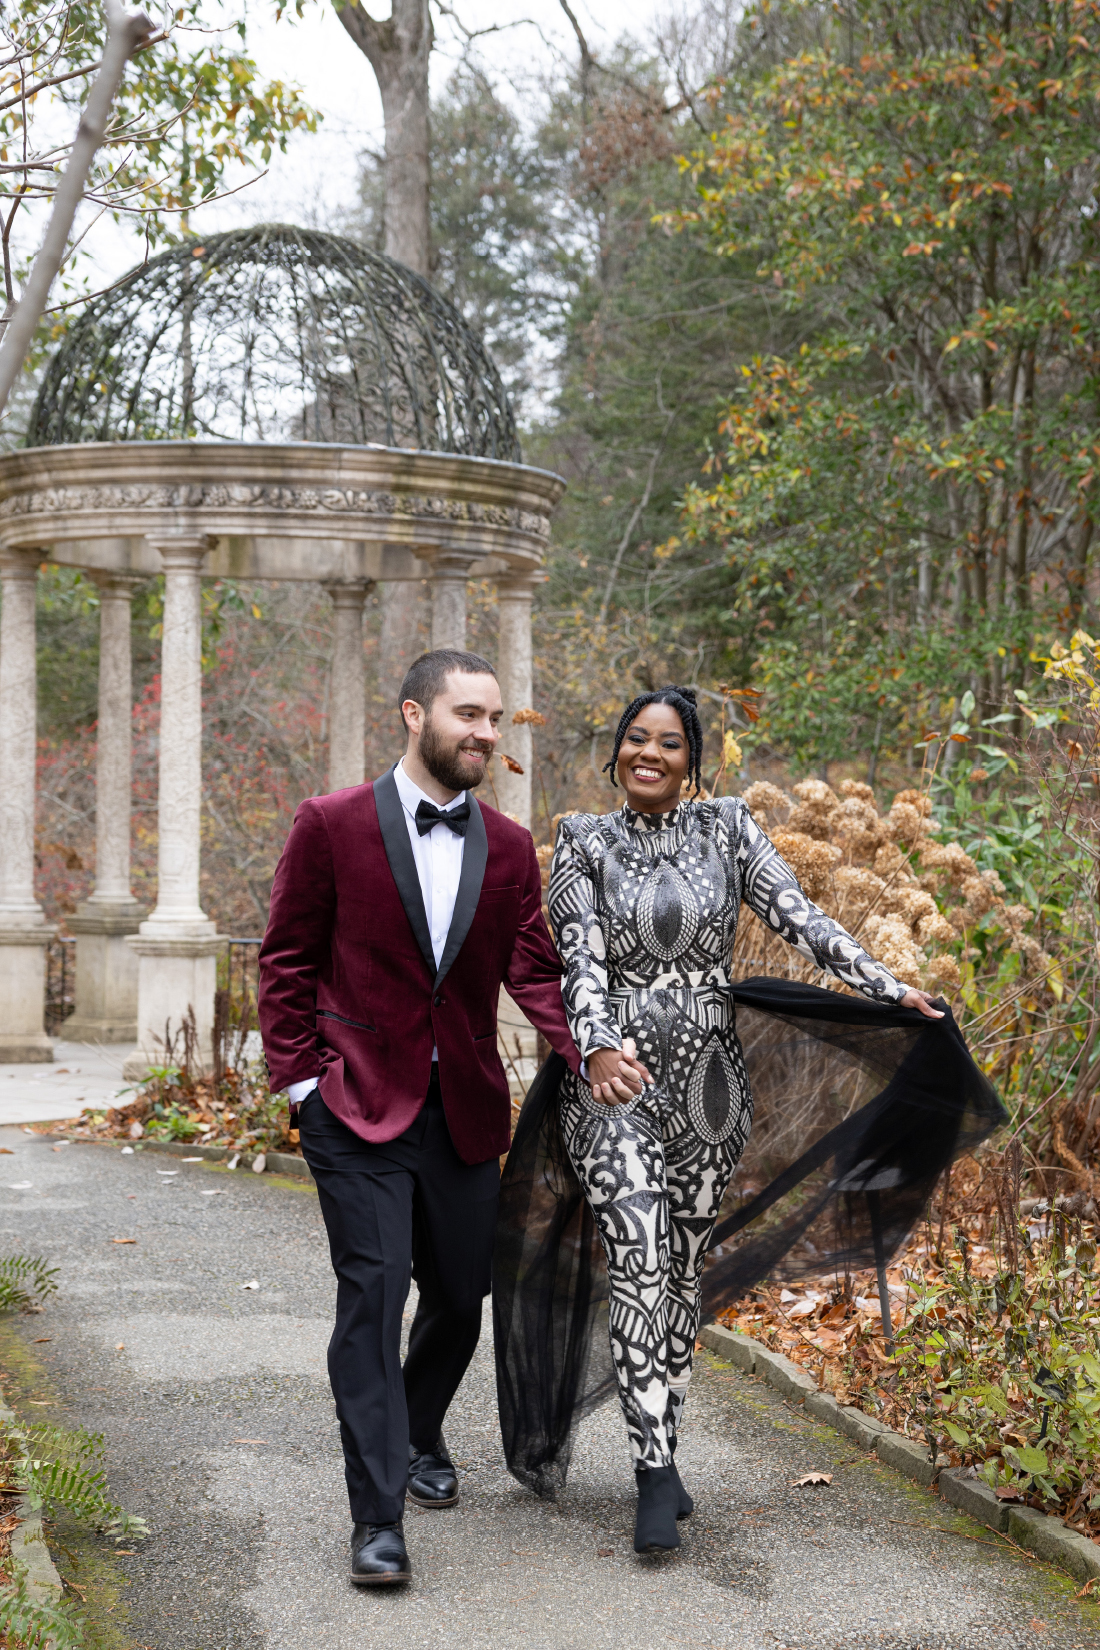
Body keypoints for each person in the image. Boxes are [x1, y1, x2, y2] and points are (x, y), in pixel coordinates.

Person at [257, 647, 647, 1586]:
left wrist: (587, 1047)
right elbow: (286, 960)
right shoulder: (332, 822)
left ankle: (420, 1425)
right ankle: (377, 1518)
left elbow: (532, 970)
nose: (485, 734)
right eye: (468, 715)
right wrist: (303, 1088)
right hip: (353, 1104)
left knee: (463, 1296)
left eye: (496, 720)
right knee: (374, 1294)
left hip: (465, 1108)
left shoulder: (510, 848)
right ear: (412, 714)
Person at [544, 686, 944, 1556]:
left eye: (669, 744)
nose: (649, 753)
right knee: (640, 1254)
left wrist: (886, 985)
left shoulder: (728, 829)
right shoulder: (582, 840)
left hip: (711, 1091)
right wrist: (600, 1045)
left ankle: (665, 1440)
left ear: (695, 762)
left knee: (680, 1269)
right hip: (614, 1086)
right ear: (615, 753)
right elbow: (575, 955)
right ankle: (652, 1470)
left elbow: (800, 918)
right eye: (635, 740)